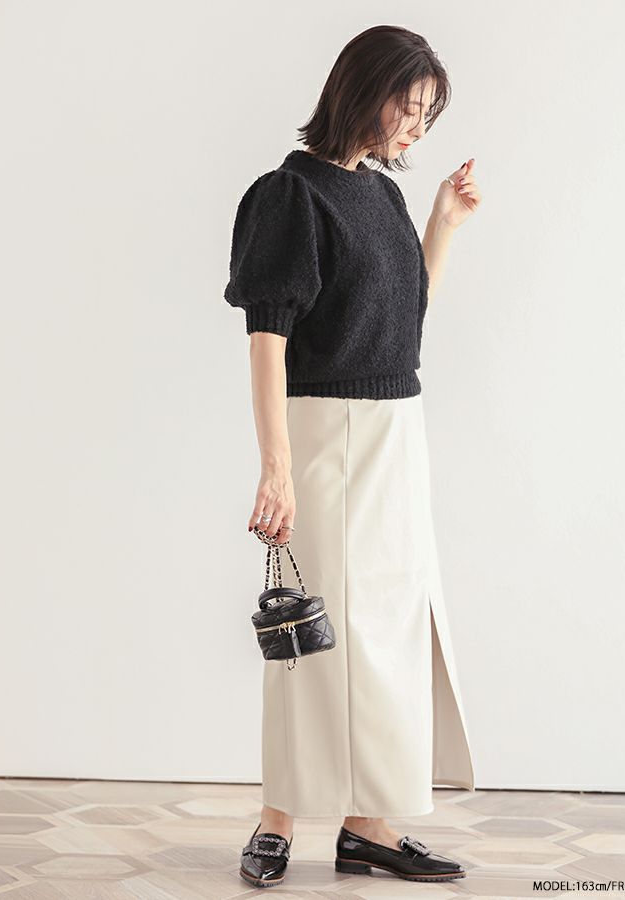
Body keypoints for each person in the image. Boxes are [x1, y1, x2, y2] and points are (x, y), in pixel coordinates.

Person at [223, 24, 482, 888]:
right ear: (360, 92)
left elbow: (402, 320)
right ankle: (277, 819)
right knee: (311, 634)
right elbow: (267, 340)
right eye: (408, 108)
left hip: (397, 431)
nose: (417, 127)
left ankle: (367, 826)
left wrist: (442, 223)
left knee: (390, 633)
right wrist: (277, 465)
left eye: (428, 115)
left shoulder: (383, 196)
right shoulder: (290, 196)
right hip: (323, 435)